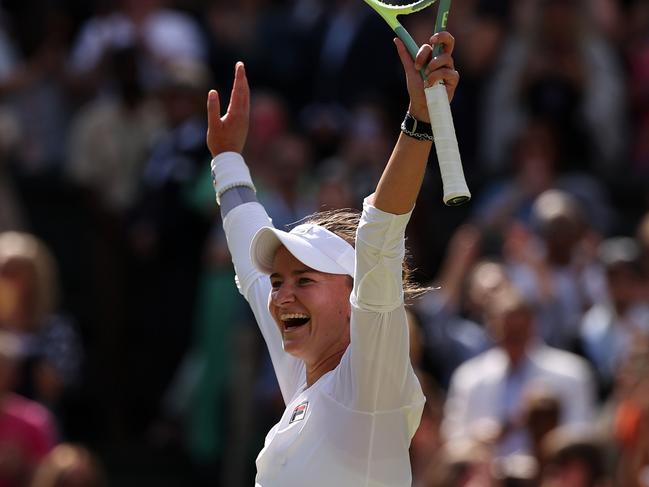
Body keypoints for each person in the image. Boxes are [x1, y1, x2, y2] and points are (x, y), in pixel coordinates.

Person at [207, 31, 460, 486]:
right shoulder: (304, 382)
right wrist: (227, 159)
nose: (281, 295)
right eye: (280, 281)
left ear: (354, 293)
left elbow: (379, 239)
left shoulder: (369, 386)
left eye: (304, 280)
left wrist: (419, 121)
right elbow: (251, 268)